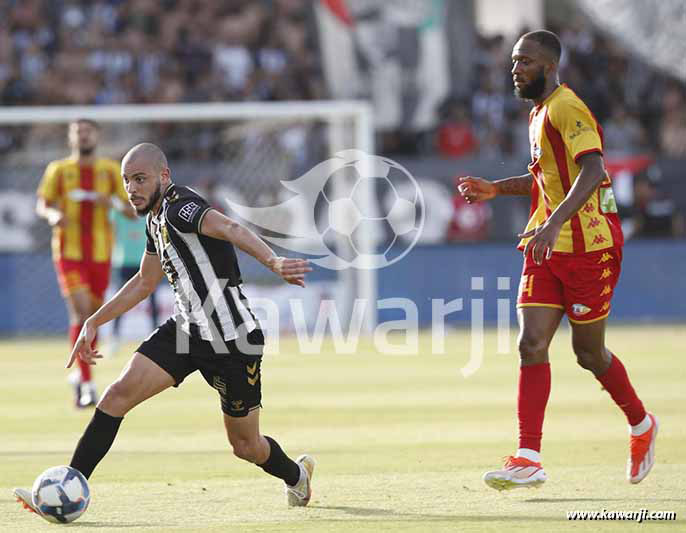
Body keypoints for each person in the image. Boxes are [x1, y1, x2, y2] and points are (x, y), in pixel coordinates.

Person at [15, 143, 315, 519]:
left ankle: (296, 474)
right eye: (127, 182)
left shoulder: (180, 207)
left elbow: (230, 226)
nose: (132, 189)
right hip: (186, 331)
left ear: (165, 176)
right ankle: (66, 486)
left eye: (140, 179)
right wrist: (94, 321)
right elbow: (144, 282)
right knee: (116, 396)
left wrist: (272, 260)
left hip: (232, 340)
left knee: (246, 446)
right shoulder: (154, 220)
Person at [457, 30, 657, 490]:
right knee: (531, 344)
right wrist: (496, 188)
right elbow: (547, 180)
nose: (515, 69)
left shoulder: (568, 107)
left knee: (588, 353)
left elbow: (593, 169)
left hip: (589, 249)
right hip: (546, 248)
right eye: (513, 61)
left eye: (524, 61)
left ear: (549, 66)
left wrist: (552, 225)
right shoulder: (537, 114)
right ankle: (529, 456)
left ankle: (641, 424)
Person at [35, 119, 135, 408]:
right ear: (71, 138)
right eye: (78, 132)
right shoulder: (59, 170)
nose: (83, 136)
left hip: (102, 254)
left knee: (94, 316)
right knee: (80, 314)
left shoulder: (110, 171)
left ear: (97, 135)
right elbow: (43, 203)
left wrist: (113, 204)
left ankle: (81, 374)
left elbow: (131, 211)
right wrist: (53, 216)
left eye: (88, 131)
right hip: (69, 252)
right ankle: (88, 383)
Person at [108, 208, 160, 357]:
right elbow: (111, 229)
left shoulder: (148, 212)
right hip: (124, 261)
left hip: (146, 261)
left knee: (153, 300)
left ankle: (155, 335)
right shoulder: (119, 212)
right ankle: (115, 337)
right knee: (121, 300)